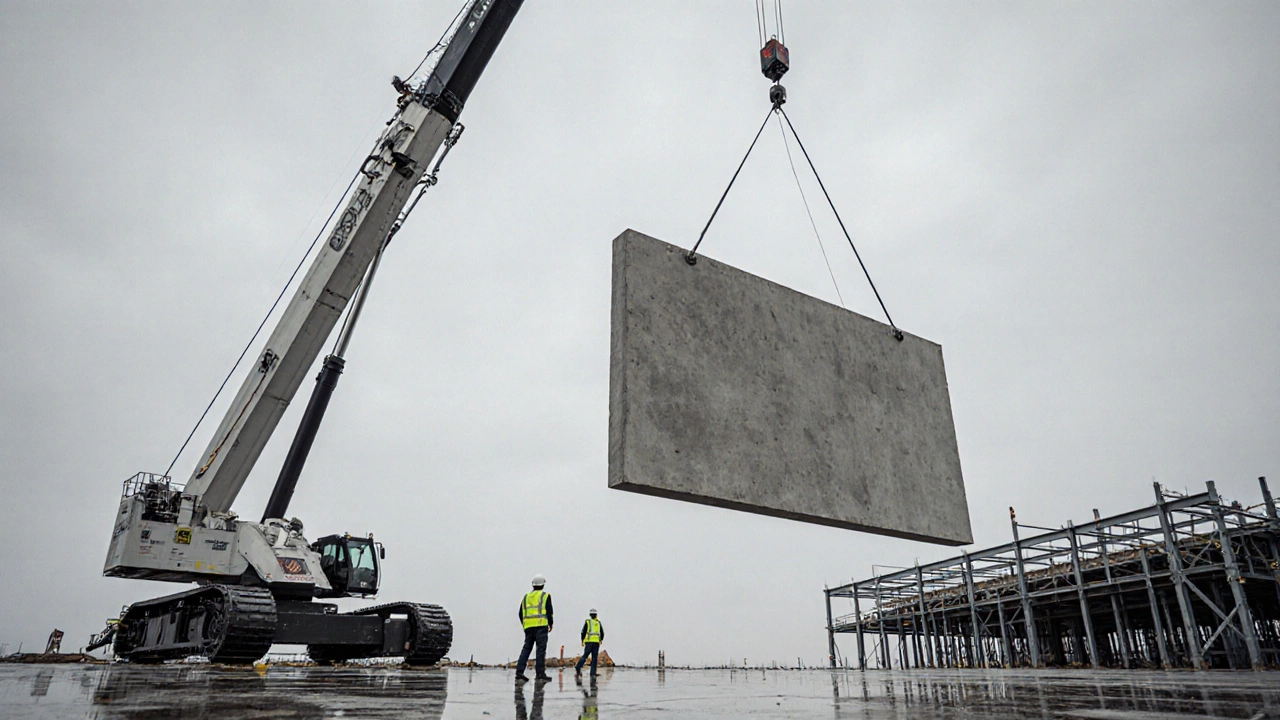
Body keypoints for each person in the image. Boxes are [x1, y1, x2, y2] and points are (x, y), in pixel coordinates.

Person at [515, 573, 553, 682]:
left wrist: (525, 624)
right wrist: (551, 624)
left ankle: (519, 672)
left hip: (529, 627)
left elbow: (520, 613)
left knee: (526, 649)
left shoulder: (526, 597)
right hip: (541, 626)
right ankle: (540, 673)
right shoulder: (545, 596)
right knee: (540, 650)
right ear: (543, 585)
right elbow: (549, 611)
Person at [575, 608, 604, 677]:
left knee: (585, 655)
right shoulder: (598, 623)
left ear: (590, 615)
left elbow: (583, 632)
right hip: (596, 642)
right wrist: (600, 640)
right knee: (594, 658)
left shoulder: (588, 622)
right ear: (596, 615)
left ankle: (578, 666)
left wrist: (582, 640)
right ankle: (593, 673)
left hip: (589, 642)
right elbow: (602, 633)